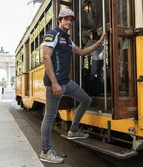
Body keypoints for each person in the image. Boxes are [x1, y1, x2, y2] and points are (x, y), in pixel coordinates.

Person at [40, 8, 105, 164]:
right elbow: (46, 57)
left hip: (66, 82)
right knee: (49, 117)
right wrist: (54, 83)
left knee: (86, 100)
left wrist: (99, 43)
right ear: (60, 20)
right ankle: (45, 151)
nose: (69, 22)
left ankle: (73, 130)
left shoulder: (67, 39)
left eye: (71, 19)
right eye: (66, 19)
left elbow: (82, 52)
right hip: (54, 83)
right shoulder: (53, 34)